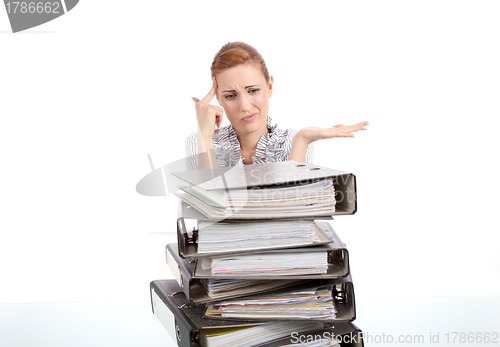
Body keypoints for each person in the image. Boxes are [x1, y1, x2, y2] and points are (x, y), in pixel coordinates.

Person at [186, 42, 368, 170]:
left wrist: (302, 140)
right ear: (218, 99)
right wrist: (204, 135)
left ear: (269, 86)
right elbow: (209, 209)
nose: (244, 106)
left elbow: (294, 210)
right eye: (231, 96)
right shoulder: (202, 142)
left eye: (253, 90)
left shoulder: (291, 141)